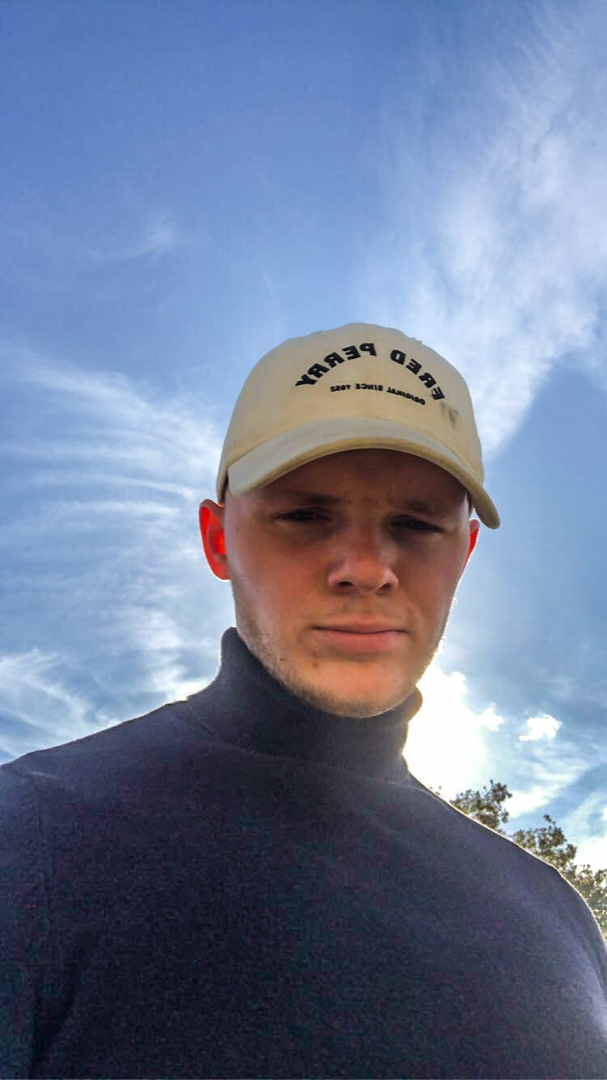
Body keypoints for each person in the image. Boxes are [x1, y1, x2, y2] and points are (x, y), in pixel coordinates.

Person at [1, 323, 606, 1080]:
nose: (366, 567)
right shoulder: (26, 841)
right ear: (218, 541)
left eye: (417, 524)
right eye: (305, 515)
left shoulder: (559, 919)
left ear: (464, 553)